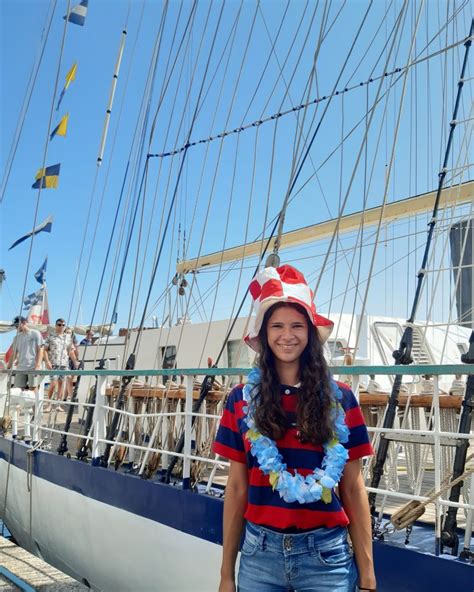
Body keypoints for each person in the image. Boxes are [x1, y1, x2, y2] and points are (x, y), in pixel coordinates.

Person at [214, 265, 376, 592]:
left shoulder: (341, 399)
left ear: (310, 333)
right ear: (264, 335)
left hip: (327, 558)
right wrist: (226, 574)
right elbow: (236, 489)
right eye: (276, 325)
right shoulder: (240, 401)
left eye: (297, 325)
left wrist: (368, 575)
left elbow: (353, 489)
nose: (287, 335)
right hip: (260, 557)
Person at [43, 319, 78, 411]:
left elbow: (70, 351)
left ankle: (58, 404)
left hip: (64, 364)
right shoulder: (50, 336)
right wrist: (47, 362)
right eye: (59, 325)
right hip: (53, 363)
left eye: (63, 325)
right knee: (53, 383)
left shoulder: (68, 337)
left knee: (61, 384)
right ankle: (49, 404)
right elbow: (45, 350)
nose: (61, 326)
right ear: (56, 325)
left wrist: (75, 362)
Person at [6, 316, 43, 391]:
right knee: (18, 390)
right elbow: (14, 354)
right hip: (20, 367)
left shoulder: (35, 333)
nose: (16, 327)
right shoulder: (16, 338)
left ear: (24, 323)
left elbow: (40, 350)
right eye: (15, 326)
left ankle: (34, 403)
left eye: (17, 325)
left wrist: (37, 366)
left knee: (33, 389)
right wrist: (8, 367)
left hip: (33, 367)